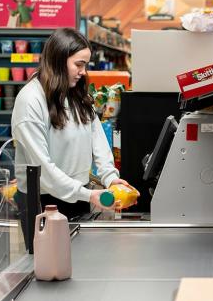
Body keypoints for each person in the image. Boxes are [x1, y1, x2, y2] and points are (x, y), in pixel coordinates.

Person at [12, 27, 135, 222]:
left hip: (78, 194)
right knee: (47, 252)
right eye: (79, 64)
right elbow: (42, 168)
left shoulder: (77, 95)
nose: (83, 72)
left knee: (78, 252)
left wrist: (110, 177)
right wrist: (87, 195)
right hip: (43, 200)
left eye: (85, 65)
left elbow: (97, 141)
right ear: (59, 60)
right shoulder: (30, 101)